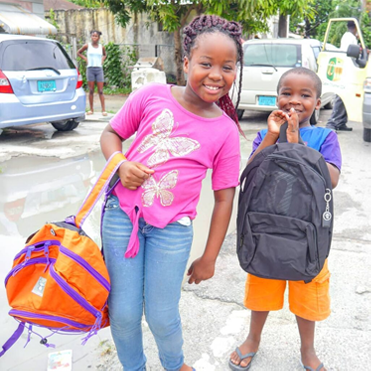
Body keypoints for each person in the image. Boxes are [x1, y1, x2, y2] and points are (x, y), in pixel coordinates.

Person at [100, 15, 244, 371]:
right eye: (205, 63)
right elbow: (110, 134)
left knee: (163, 316)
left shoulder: (225, 131)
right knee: (123, 313)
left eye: (227, 67)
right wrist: (120, 163)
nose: (216, 75)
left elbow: (225, 198)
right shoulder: (151, 96)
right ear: (185, 62)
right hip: (122, 220)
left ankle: (174, 364)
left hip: (173, 232)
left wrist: (210, 257)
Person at [229, 67, 342, 371]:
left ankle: (307, 349)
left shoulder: (324, 136)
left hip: (310, 233)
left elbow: (331, 178)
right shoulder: (267, 134)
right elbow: (250, 171)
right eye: (286, 93)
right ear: (276, 98)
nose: (294, 101)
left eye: (305, 95)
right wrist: (271, 136)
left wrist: (297, 145)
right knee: (261, 287)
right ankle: (253, 339)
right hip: (267, 227)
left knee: (308, 291)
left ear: (317, 102)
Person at [326, 21, 358, 132]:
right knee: (341, 97)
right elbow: (350, 53)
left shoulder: (350, 37)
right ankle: (332, 123)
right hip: (346, 69)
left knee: (346, 98)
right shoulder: (349, 37)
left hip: (349, 69)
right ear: (355, 27)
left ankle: (341, 122)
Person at [77, 30, 107, 116]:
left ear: (99, 38)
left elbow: (105, 55)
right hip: (90, 69)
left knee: (100, 91)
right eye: (93, 36)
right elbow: (78, 52)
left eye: (96, 36)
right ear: (91, 37)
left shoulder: (102, 47)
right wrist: (85, 59)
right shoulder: (87, 46)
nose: (94, 37)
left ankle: (103, 110)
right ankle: (91, 109)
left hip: (99, 70)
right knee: (91, 90)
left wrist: (102, 59)